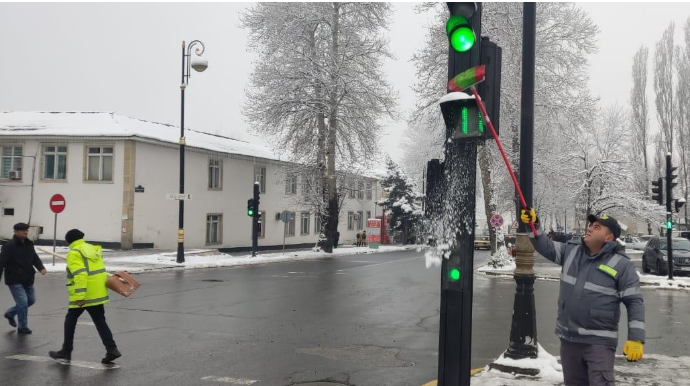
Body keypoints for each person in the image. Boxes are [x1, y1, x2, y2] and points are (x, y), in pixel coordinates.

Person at [521, 209, 645, 385]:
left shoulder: (622, 265)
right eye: (591, 225)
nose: (590, 228)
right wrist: (532, 225)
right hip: (569, 339)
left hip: (599, 343)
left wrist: (636, 338)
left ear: (609, 237)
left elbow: (634, 302)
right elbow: (545, 246)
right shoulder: (571, 251)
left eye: (597, 227)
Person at [49, 229, 121, 364]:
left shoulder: (74, 253)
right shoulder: (92, 249)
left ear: (69, 241)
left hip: (85, 294)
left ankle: (66, 351)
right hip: (98, 292)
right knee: (100, 322)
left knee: (70, 320)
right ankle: (112, 349)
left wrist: (80, 296)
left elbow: (81, 274)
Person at [0, 222, 46, 334]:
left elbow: (34, 257)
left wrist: (40, 267)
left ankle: (10, 313)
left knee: (31, 300)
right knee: (23, 302)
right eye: (22, 230)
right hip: (14, 279)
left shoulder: (29, 244)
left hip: (27, 277)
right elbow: (1, 263)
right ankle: (22, 326)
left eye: (26, 230)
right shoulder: (9, 246)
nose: (25, 232)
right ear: (15, 231)